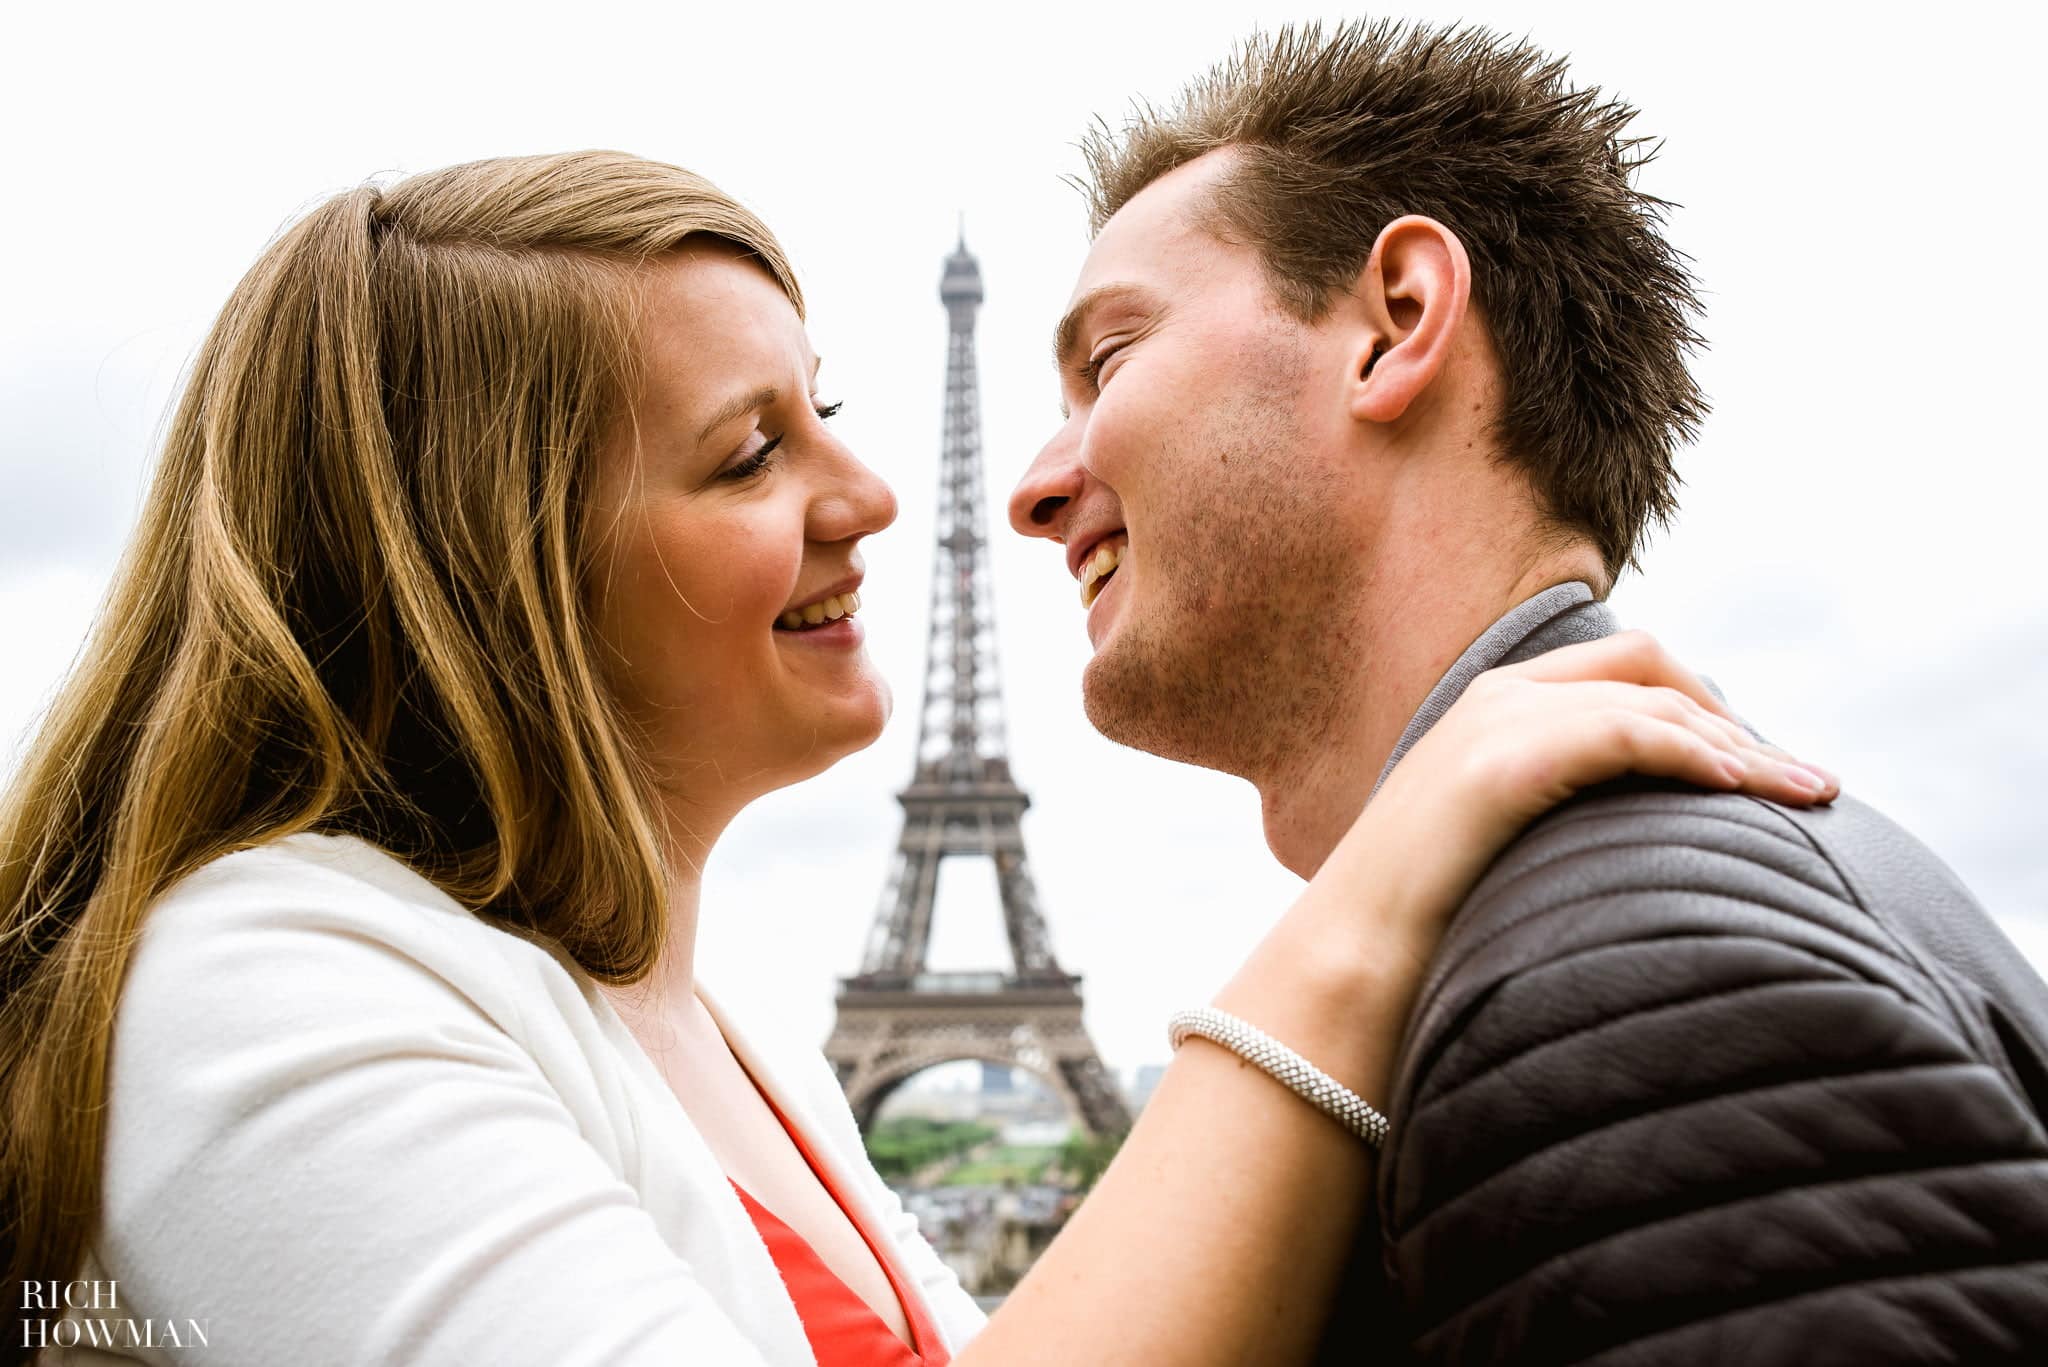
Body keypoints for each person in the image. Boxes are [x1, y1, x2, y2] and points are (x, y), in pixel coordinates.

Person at [0, 149, 1833, 1367]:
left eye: (837, 418)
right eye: (747, 456)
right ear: (491, 576)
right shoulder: (259, 982)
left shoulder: (720, 1039)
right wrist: (1368, 909)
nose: (881, 498)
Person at [1005, 19, 2048, 1364]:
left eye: (1111, 360)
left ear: (1395, 325)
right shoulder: (1653, 906)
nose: (1039, 484)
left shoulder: (1627, 988)